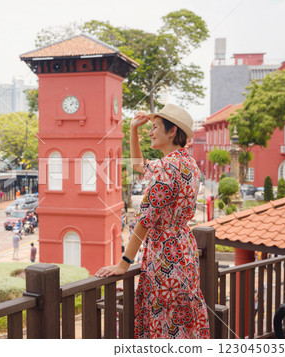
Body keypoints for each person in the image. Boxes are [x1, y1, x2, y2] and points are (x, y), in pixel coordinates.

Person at [95, 104, 210, 339]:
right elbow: (138, 165)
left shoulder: (167, 168)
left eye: (155, 127)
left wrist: (123, 264)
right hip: (184, 252)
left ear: (171, 132)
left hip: (166, 256)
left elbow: (144, 221)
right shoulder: (188, 164)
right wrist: (133, 129)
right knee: (183, 320)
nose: (151, 131)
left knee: (165, 322)